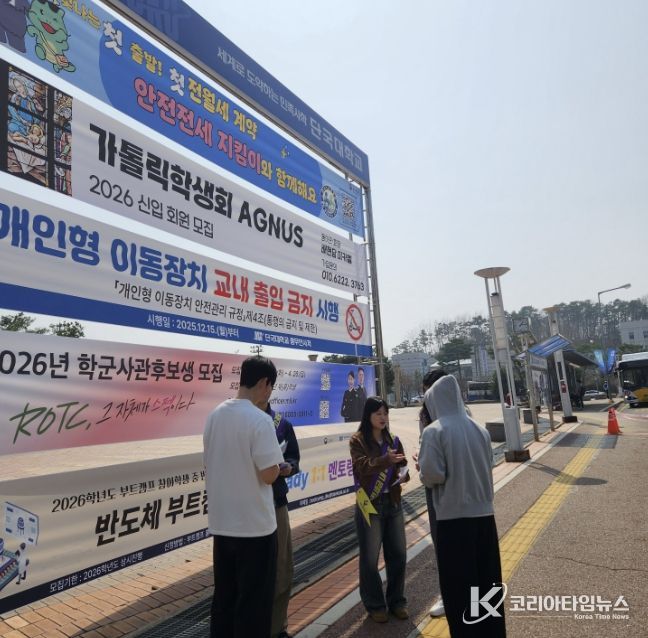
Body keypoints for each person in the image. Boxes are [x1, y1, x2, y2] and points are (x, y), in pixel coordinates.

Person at [418, 375, 506, 637]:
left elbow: (433, 475)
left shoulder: (434, 431)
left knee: (460, 592)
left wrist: (421, 466)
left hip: (453, 522)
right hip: (485, 518)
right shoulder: (480, 430)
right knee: (487, 586)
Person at [203, 356, 284, 638]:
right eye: (270, 387)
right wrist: (279, 467)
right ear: (264, 383)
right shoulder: (260, 420)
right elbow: (268, 474)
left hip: (222, 525)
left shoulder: (214, 415)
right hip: (255, 528)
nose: (269, 393)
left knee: (224, 600)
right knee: (253, 605)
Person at [349, 396, 409, 623]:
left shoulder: (393, 439)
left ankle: (397, 601)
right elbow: (362, 466)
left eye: (385, 413)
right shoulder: (358, 441)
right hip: (370, 504)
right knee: (370, 558)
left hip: (393, 502)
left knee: (398, 554)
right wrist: (385, 460)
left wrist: (404, 475)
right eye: (378, 413)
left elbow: (401, 465)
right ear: (368, 415)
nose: (383, 417)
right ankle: (375, 605)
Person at [256, 395, 301, 638]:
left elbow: (294, 457)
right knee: (254, 571)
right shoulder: (241, 422)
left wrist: (289, 466)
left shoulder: (281, 423)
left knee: (282, 567)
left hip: (276, 502)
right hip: (249, 507)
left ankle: (277, 628)